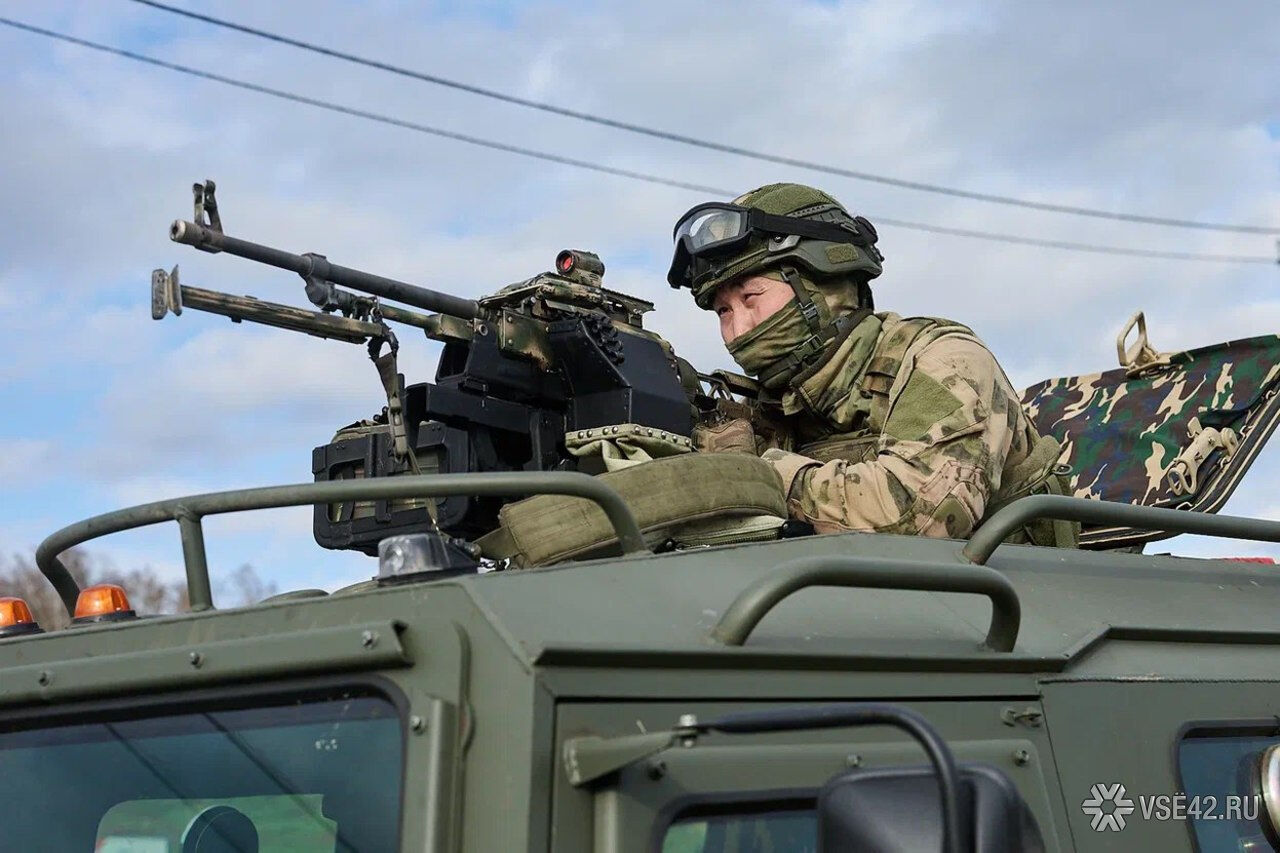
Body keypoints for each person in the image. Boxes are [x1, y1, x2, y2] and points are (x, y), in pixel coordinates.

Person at [667, 182, 1076, 546]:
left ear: (822, 283)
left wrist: (753, 476)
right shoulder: (775, 405)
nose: (738, 330)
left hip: (1023, 597)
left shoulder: (944, 359)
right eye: (723, 311)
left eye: (751, 298)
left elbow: (920, 516)